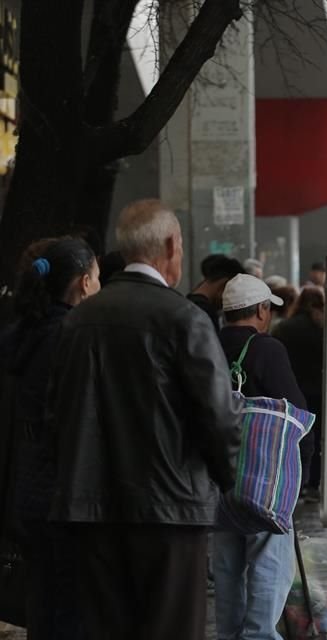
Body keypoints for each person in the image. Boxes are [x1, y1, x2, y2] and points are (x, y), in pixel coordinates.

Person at [47, 198, 242, 640]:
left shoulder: (78, 323)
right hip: (171, 514)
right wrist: (227, 481)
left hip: (91, 511)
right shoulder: (183, 318)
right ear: (172, 246)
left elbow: (55, 413)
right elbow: (219, 418)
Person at [0, 237, 100, 640]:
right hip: (66, 490)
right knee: (72, 607)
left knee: (42, 601)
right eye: (96, 277)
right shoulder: (72, 336)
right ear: (82, 283)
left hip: (27, 486)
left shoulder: (21, 334)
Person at [214, 274, 306, 640]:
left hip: (219, 476)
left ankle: (230, 636)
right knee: (269, 563)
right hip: (264, 479)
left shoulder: (206, 342)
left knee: (226, 568)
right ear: (262, 310)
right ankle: (259, 637)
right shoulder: (268, 349)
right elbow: (296, 413)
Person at [273, 287, 325, 501]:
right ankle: (312, 485)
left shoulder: (283, 328)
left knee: (290, 437)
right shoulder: (321, 329)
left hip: (290, 389)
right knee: (315, 438)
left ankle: (291, 483)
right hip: (317, 391)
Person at [188, 254, 245, 329]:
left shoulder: (186, 303)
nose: (230, 300)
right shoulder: (206, 314)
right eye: (233, 292)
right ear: (224, 284)